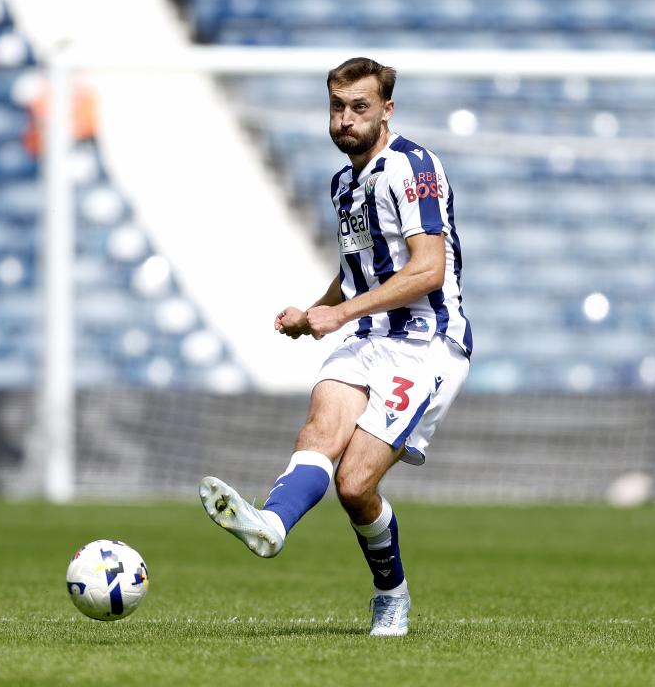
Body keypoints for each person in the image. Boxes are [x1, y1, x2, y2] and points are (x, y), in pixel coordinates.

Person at [199, 56, 472, 637]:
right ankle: (272, 524)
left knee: (354, 485)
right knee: (319, 433)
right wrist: (311, 312)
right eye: (337, 107)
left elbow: (427, 270)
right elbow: (358, 275)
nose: (346, 119)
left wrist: (340, 315)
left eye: (360, 108)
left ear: (386, 110)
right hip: (370, 335)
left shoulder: (414, 167)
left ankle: (391, 595)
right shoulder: (343, 184)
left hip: (427, 342)